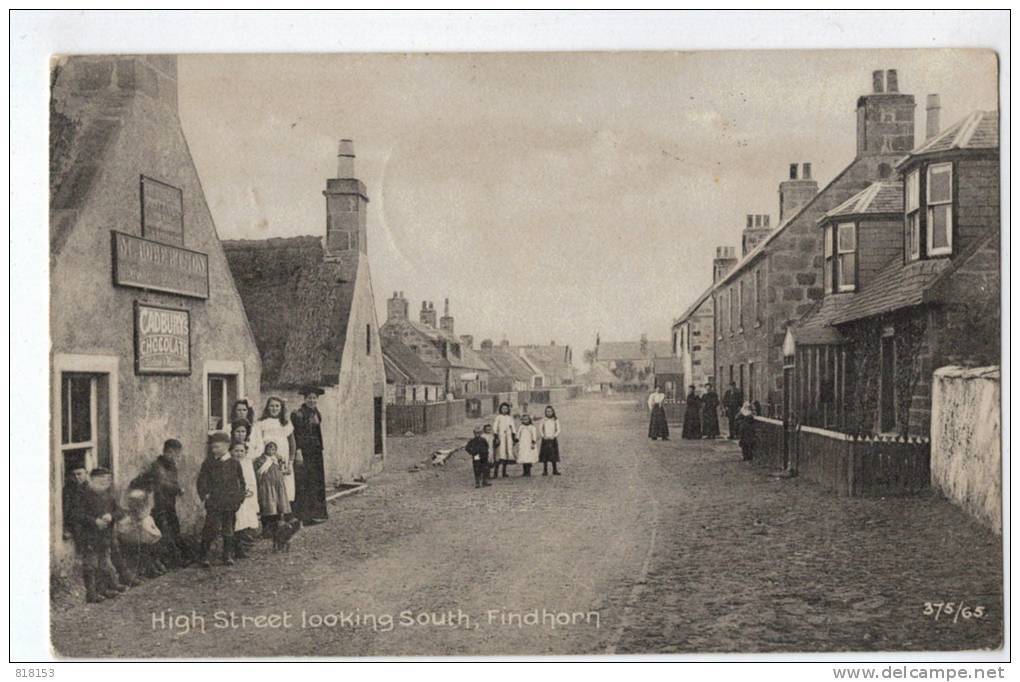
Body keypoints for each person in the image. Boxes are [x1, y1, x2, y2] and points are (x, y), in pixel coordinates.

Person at [78, 468, 139, 602]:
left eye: (107, 481)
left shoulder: (108, 495)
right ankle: (91, 593)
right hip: (89, 535)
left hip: (105, 535)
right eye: (101, 481)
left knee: (104, 563)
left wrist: (111, 516)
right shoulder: (83, 495)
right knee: (90, 564)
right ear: (92, 480)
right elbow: (77, 515)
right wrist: (95, 521)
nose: (105, 484)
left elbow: (120, 511)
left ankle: (104, 589)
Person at [131, 439, 190, 568]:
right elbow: (162, 483)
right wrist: (178, 489)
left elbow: (173, 481)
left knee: (174, 529)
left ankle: (179, 557)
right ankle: (169, 560)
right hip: (159, 505)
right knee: (163, 532)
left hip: (169, 503)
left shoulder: (172, 465)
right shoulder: (157, 466)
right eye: (176, 454)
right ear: (169, 452)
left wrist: (177, 488)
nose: (177, 457)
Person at [196, 431, 247, 568]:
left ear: (226, 446)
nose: (214, 450)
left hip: (230, 503)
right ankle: (204, 556)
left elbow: (241, 483)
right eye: (212, 447)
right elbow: (202, 481)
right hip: (214, 502)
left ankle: (227, 555)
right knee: (210, 528)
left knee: (228, 529)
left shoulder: (234, 463)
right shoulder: (209, 463)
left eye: (217, 447)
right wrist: (205, 494)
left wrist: (240, 498)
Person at [291, 387, 327, 525]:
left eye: (314, 398)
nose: (312, 400)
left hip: (316, 452)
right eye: (309, 398)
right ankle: (304, 516)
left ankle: (317, 514)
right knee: (304, 482)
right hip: (304, 452)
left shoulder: (317, 413)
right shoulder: (298, 414)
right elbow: (296, 435)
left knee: (316, 482)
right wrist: (298, 451)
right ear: (304, 399)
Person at [255, 397, 297, 505]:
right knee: (269, 483)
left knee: (284, 483)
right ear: (268, 407)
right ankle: (271, 513)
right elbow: (257, 440)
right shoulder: (261, 423)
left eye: (277, 406)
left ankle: (284, 514)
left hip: (283, 455)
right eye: (272, 406)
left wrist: (291, 460)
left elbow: (292, 443)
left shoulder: (285, 423)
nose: (274, 408)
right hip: (267, 456)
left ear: (281, 408)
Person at [229, 425, 260, 557]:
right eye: (236, 451)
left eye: (241, 451)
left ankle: (243, 547)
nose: (239, 453)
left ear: (245, 453)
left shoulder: (247, 463)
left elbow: (251, 480)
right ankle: (234, 548)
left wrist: (251, 491)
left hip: (247, 497)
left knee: (247, 521)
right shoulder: (230, 464)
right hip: (235, 497)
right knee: (236, 521)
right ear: (231, 452)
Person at [254, 440, 291, 537]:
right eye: (269, 448)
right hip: (267, 486)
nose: (271, 450)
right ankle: (266, 530)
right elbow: (257, 472)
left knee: (278, 507)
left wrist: (282, 463)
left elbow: (284, 470)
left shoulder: (277, 459)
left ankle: (276, 530)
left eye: (274, 448)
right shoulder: (260, 460)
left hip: (277, 486)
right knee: (267, 507)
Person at [491, 402, 517, 479]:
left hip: (508, 437)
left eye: (506, 409)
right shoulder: (498, 417)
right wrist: (496, 436)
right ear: (500, 409)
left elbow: (513, 427)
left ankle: (504, 472)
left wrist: (513, 436)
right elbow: (495, 427)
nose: (504, 410)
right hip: (500, 437)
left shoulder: (510, 418)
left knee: (506, 454)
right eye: (503, 409)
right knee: (499, 454)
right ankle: (495, 473)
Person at [539, 405, 562, 476]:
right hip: (545, 440)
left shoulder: (555, 420)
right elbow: (540, 428)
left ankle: (555, 470)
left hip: (552, 440)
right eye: (547, 411)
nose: (549, 413)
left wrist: (554, 436)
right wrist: (543, 436)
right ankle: (545, 470)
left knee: (553, 455)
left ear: (553, 412)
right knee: (545, 455)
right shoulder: (543, 420)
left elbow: (558, 429)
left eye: (550, 411)